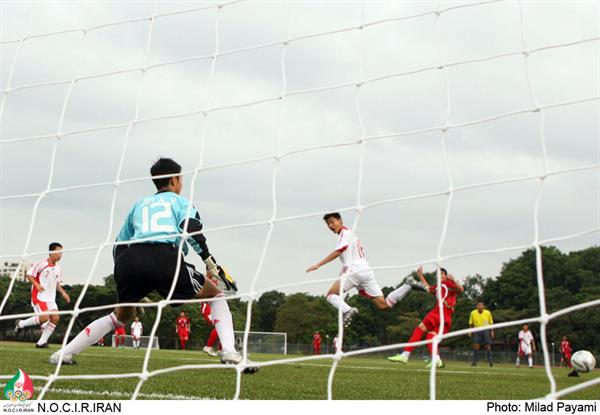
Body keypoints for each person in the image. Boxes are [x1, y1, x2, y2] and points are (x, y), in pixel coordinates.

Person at [49, 158, 257, 373]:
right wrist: (208, 260)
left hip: (129, 260)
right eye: (181, 179)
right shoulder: (180, 202)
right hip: (163, 257)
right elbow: (191, 227)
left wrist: (127, 273)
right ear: (175, 180)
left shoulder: (139, 205)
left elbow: (119, 244)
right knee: (215, 296)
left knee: (121, 316)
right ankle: (229, 352)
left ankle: (63, 353)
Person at [306, 212, 425, 326]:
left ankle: (347, 310)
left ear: (340, 221)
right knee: (384, 305)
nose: (330, 226)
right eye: (328, 224)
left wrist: (319, 264)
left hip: (354, 271)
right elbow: (346, 258)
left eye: (332, 222)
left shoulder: (345, 233)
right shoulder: (348, 235)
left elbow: (339, 251)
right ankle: (408, 285)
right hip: (365, 271)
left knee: (331, 295)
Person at [387, 266, 464, 368]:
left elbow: (461, 290)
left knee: (419, 330)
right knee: (430, 337)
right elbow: (428, 288)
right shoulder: (438, 286)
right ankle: (437, 360)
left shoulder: (448, 283)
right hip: (446, 317)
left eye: (441, 274)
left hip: (439, 313)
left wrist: (454, 280)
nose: (439, 276)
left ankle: (405, 355)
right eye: (438, 274)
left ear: (445, 276)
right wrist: (420, 276)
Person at [15, 242, 70, 348]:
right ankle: (20, 324)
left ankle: (41, 342)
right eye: (58, 252)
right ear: (51, 252)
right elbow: (29, 274)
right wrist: (37, 285)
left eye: (61, 252)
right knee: (44, 317)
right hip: (39, 296)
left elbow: (57, 283)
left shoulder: (58, 268)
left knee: (55, 318)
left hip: (50, 298)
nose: (60, 255)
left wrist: (64, 293)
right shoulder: (41, 263)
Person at [468, 302, 494, 367]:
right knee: (476, 345)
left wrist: (492, 331)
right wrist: (470, 331)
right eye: (478, 305)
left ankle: (490, 361)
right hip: (476, 329)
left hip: (486, 329)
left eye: (481, 305)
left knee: (487, 346)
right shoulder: (473, 313)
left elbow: (491, 323)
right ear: (477, 307)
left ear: (483, 306)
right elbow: (471, 323)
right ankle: (474, 362)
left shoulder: (488, 313)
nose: (480, 307)